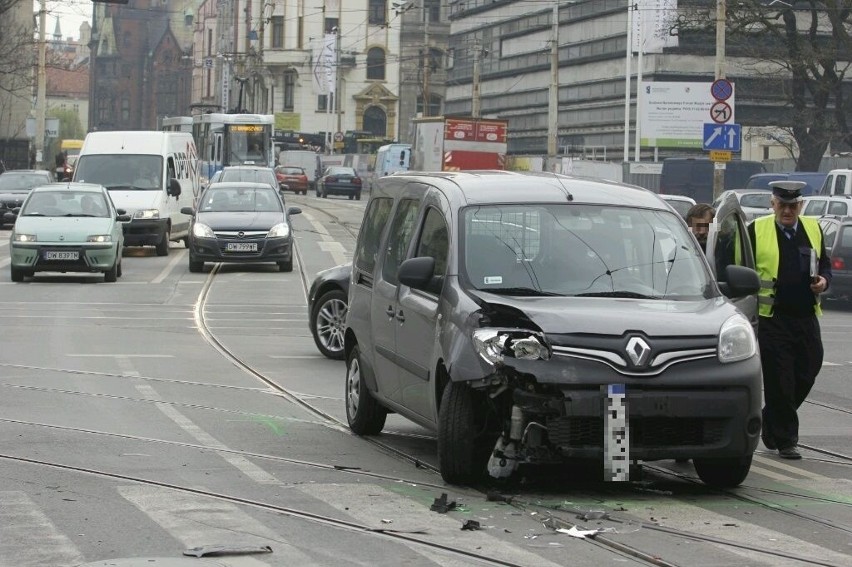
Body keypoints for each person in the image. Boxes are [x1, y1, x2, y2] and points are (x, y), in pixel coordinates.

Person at [747, 181, 831, 460]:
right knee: (780, 380)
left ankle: (771, 419)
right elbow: (739, 269)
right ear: (772, 204)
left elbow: (825, 264)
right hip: (773, 319)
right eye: (782, 205)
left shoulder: (813, 228)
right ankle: (786, 440)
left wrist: (824, 280)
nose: (787, 211)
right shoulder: (756, 230)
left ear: (801, 206)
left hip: (806, 316)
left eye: (792, 206)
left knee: (809, 368)